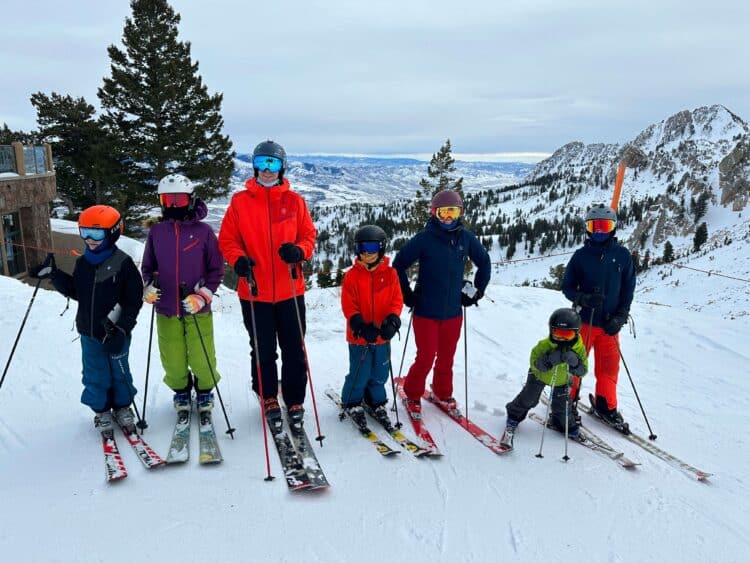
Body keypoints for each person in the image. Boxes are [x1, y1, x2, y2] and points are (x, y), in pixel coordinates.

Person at [218, 140, 316, 426]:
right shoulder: (240, 201)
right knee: (262, 348)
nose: (267, 169)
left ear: (282, 166)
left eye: (272, 163)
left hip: (290, 289)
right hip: (254, 291)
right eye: (261, 162)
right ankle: (268, 395)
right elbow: (228, 240)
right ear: (254, 166)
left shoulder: (295, 201)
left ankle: (295, 397)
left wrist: (299, 252)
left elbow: (309, 237)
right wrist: (238, 260)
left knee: (294, 347)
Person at [29, 205, 143, 432]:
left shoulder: (124, 264)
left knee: (120, 374)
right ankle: (101, 412)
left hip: (116, 332)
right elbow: (77, 291)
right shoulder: (84, 263)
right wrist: (54, 274)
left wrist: (122, 329)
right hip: (89, 333)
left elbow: (133, 301)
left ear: (113, 232)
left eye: (97, 234)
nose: (89, 239)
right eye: (85, 232)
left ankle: (122, 408)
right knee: (95, 376)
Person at [392, 189, 491, 417]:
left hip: (453, 313)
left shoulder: (466, 238)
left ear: (460, 213)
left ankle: (442, 392)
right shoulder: (424, 238)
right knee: (426, 356)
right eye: (443, 212)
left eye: (453, 212)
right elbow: (398, 264)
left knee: (447, 357)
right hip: (426, 311)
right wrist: (406, 294)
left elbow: (484, 262)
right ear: (434, 213)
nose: (448, 218)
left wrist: (476, 292)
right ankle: (412, 393)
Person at [141, 174, 225, 414]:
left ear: (190, 200)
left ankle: (205, 391)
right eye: (168, 200)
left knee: (202, 355)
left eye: (179, 200)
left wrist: (203, 296)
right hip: (166, 308)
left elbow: (216, 270)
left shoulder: (203, 232)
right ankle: (181, 392)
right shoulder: (157, 232)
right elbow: (147, 267)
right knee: (173, 357)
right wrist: (148, 288)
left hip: (196, 308)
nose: (173, 206)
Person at [561, 203, 636, 427]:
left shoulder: (622, 256)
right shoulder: (581, 256)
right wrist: (583, 299)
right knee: (575, 365)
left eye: (605, 226)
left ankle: (605, 404)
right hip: (584, 322)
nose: (600, 232)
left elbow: (628, 291)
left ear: (613, 228)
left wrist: (621, 317)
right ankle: (565, 402)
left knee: (609, 369)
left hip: (610, 325)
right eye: (595, 226)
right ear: (588, 228)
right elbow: (567, 287)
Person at [340, 225, 403, 428]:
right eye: (361, 247)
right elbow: (349, 305)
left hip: (382, 336)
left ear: (381, 248)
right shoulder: (352, 276)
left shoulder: (391, 274)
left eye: (371, 246)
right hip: (360, 337)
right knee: (360, 371)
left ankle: (376, 401)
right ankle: (352, 401)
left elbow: (396, 300)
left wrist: (393, 320)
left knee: (379, 373)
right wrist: (359, 324)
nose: (366, 252)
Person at [501, 308, 588, 449]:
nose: (561, 338)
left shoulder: (579, 349)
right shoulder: (544, 345)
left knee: (563, 405)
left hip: (562, 381)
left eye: (567, 334)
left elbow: (582, 371)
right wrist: (547, 360)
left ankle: (562, 423)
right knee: (529, 398)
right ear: (551, 331)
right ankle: (514, 416)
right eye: (558, 333)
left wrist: (576, 363)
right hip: (539, 376)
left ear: (576, 333)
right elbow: (534, 363)